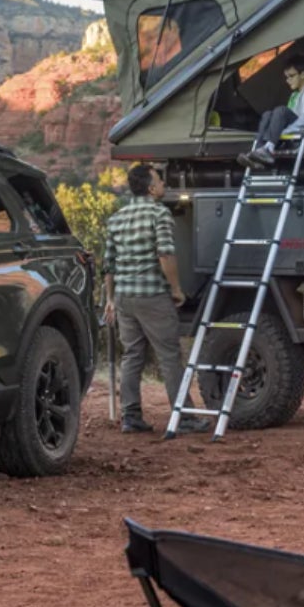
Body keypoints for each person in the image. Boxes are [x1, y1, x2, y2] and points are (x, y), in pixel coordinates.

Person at [98, 164, 187, 432]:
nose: (163, 185)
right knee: (169, 355)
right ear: (150, 188)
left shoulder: (117, 218)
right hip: (152, 296)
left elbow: (108, 265)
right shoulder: (159, 214)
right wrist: (176, 289)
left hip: (124, 298)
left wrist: (111, 300)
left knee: (132, 356)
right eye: (160, 181)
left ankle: (131, 417)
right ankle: (183, 417)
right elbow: (165, 255)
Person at [239, 61, 304, 168]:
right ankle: (257, 152)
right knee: (267, 114)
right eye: (286, 77)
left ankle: (269, 148)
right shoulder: (294, 94)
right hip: (292, 124)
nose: (288, 80)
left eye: (291, 76)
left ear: (303, 74)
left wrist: (288, 129)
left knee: (281, 110)